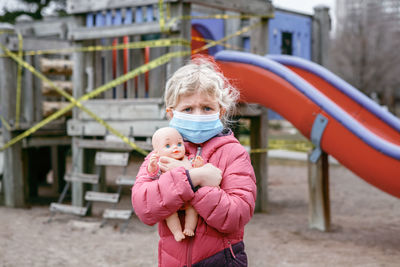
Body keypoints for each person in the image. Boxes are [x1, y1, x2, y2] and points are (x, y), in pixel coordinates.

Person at [131, 56, 257, 267]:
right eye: (188, 109)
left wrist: (192, 185)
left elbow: (237, 214)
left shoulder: (233, 153)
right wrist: (193, 176)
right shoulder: (161, 153)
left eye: (207, 108)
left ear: (221, 111)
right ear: (171, 113)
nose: (198, 115)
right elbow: (144, 206)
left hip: (223, 261)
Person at [147, 126, 205, 242]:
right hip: (171, 199)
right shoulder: (161, 163)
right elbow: (154, 176)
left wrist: (198, 165)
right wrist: (152, 166)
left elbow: (196, 172)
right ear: (157, 152)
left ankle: (189, 228)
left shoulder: (188, 159)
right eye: (168, 146)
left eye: (179, 143)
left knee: (193, 210)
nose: (175, 148)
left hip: (188, 197)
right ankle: (177, 232)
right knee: (170, 215)